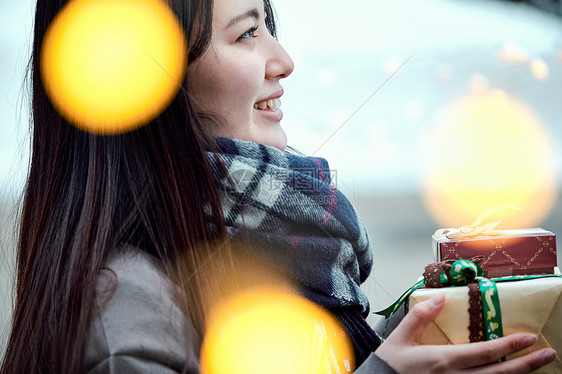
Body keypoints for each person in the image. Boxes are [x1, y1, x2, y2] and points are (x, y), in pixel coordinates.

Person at [1, 0, 557, 372]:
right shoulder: (125, 307)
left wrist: (424, 330)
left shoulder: (277, 260)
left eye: (268, 26)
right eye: (246, 34)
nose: (283, 61)